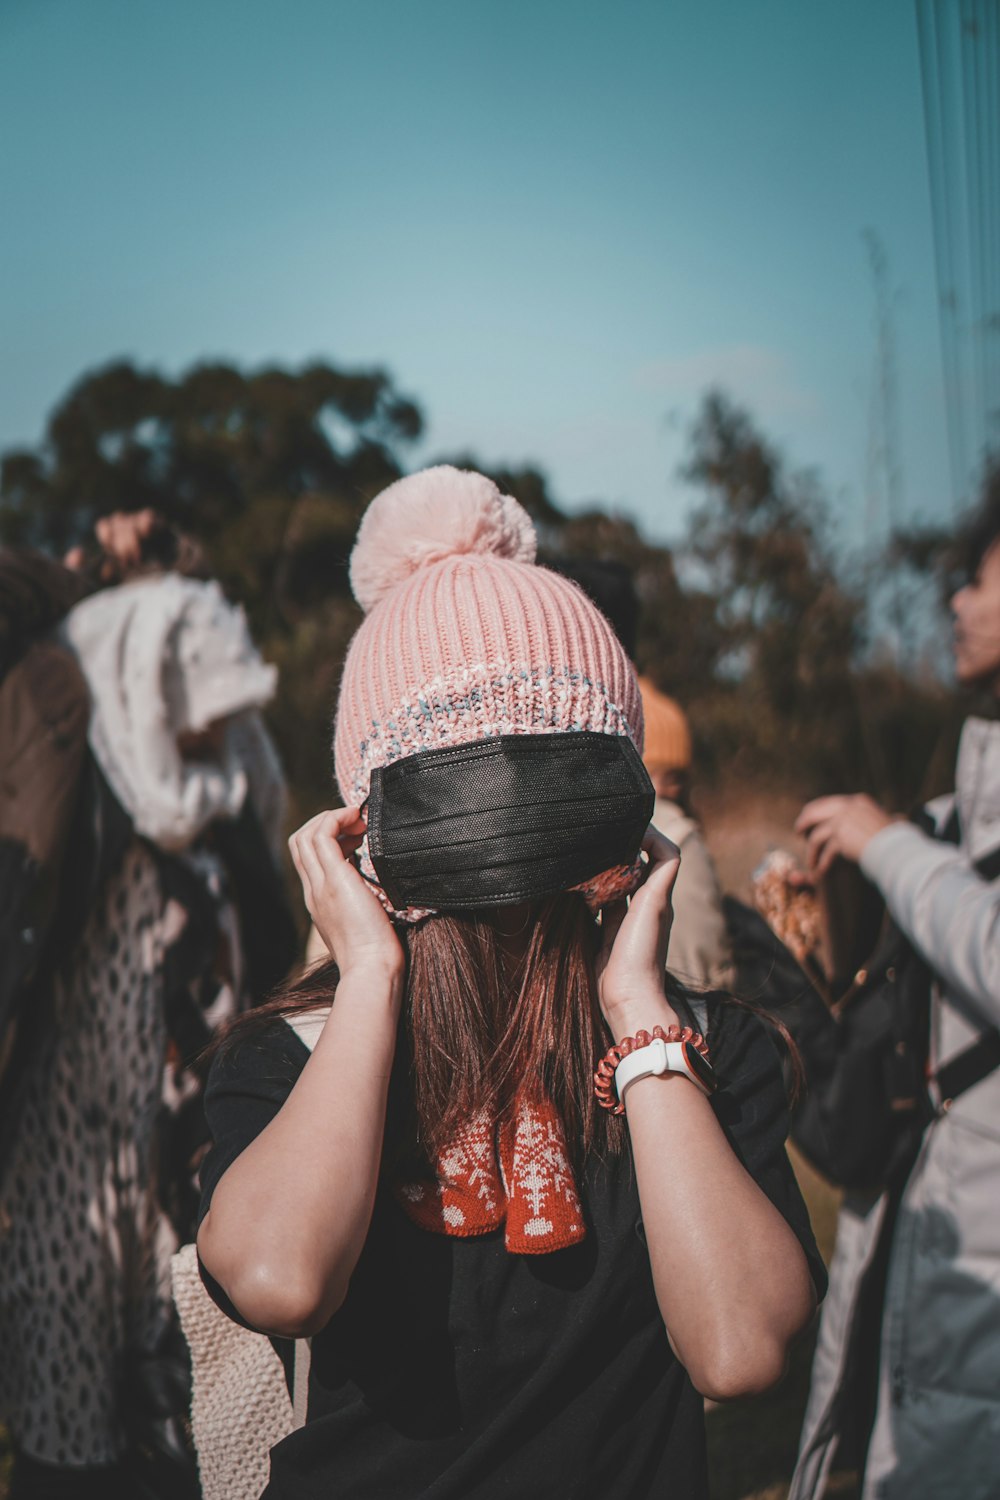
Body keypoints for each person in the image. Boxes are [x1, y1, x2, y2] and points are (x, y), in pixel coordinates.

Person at [196, 465, 824, 1500]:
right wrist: (366, 975)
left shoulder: (697, 1049)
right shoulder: (297, 1056)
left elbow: (739, 1351)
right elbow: (279, 1280)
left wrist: (635, 1013)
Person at [0, 537, 296, 1500]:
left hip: (186, 1153)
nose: (213, 733)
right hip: (69, 1157)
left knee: (188, 1420)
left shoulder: (228, 817)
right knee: (67, 1417)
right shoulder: (83, 809)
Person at [790, 471, 1000, 1500]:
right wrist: (835, 910)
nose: (953, 600)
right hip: (928, 1236)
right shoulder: (958, 808)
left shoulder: (928, 835)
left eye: (978, 574)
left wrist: (889, 849)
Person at [638, 675, 734, 991]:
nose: (663, 790)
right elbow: (706, 978)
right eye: (651, 774)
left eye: (674, 777)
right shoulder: (682, 839)